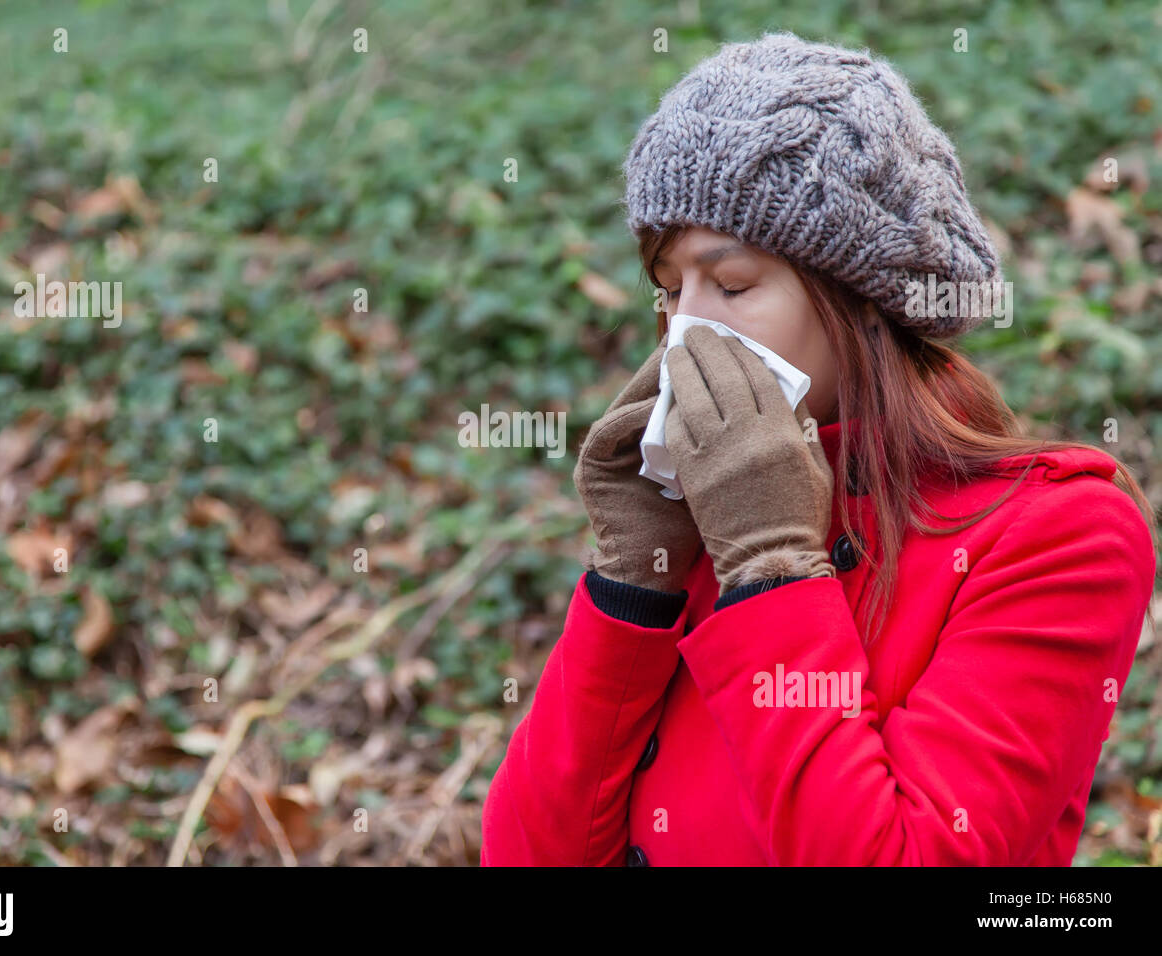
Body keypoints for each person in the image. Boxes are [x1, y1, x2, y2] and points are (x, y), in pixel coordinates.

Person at [479, 32, 1158, 866]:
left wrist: (770, 569)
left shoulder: (1054, 536)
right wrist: (633, 581)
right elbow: (527, 852)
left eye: (730, 285)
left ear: (863, 300)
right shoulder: (692, 519)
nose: (687, 332)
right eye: (669, 290)